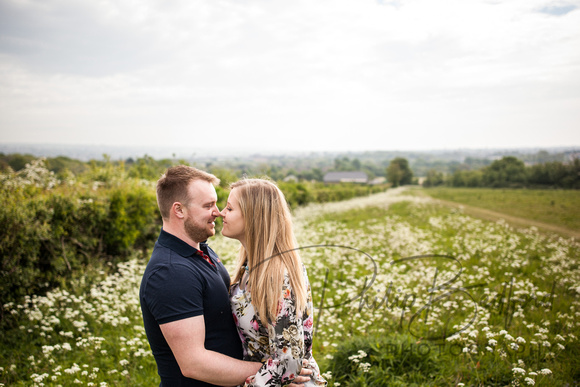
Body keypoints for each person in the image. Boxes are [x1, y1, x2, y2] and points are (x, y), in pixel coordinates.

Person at [139, 166, 312, 386]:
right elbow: (194, 363)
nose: (218, 212)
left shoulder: (202, 251)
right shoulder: (170, 272)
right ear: (179, 210)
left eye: (224, 206)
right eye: (208, 205)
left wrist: (282, 369)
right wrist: (275, 371)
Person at [221, 178, 327, 386]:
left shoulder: (278, 276)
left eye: (230, 208)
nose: (221, 213)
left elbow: (288, 361)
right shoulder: (250, 266)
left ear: (253, 217)